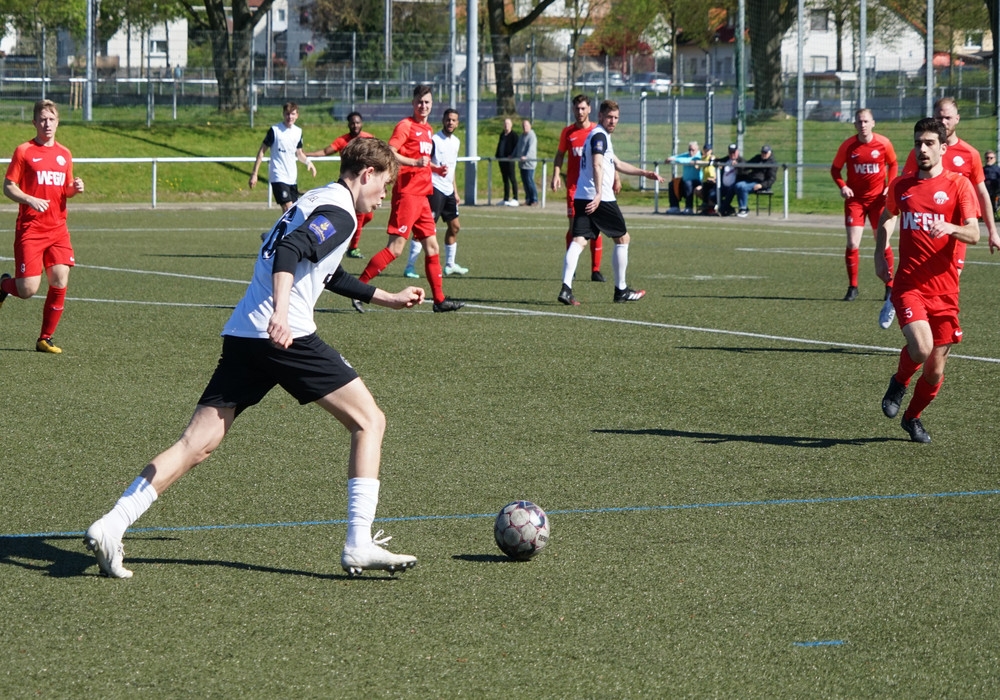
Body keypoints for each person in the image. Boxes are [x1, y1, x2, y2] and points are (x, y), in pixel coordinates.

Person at [83, 137, 424, 579]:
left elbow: (328, 272)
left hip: (245, 333)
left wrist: (387, 298)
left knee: (196, 444)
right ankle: (359, 542)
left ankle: (113, 524)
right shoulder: (340, 212)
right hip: (284, 335)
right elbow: (290, 251)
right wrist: (281, 313)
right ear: (366, 174)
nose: (384, 195)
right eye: (385, 184)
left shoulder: (316, 198)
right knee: (369, 421)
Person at [876, 118, 979, 444]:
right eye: (918, 142)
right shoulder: (902, 186)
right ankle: (899, 382)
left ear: (943, 148)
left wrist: (951, 228)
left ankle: (912, 417)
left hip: (945, 290)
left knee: (935, 371)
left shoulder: (958, 185)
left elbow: (974, 233)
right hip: (910, 285)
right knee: (921, 348)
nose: (922, 149)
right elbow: (887, 216)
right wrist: (880, 252)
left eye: (930, 143)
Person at [352, 85, 463, 313]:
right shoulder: (406, 125)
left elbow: (422, 161)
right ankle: (357, 289)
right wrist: (414, 163)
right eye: (420, 102)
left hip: (423, 196)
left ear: (432, 105)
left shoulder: (428, 129)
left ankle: (439, 300)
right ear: (413, 104)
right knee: (395, 249)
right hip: (407, 195)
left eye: (427, 102)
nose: (423, 106)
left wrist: (434, 169)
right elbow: (390, 152)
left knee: (432, 246)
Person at [557, 99, 664, 306]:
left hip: (582, 196)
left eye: (616, 118)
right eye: (609, 117)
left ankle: (566, 288)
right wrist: (598, 194)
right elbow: (597, 164)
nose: (613, 121)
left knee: (579, 240)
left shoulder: (596, 135)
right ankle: (621, 290)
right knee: (623, 238)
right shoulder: (599, 136)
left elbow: (617, 163)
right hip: (600, 198)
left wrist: (645, 173)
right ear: (600, 116)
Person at [0, 99, 85, 354]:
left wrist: (74, 188)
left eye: (52, 119)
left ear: (57, 122)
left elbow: (65, 189)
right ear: (34, 122)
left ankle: (45, 338)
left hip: (58, 229)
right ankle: (3, 285)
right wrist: (29, 199)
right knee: (27, 289)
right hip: (31, 229)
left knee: (59, 278)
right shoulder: (24, 151)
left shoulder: (65, 154)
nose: (47, 124)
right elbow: (8, 186)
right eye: (43, 119)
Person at [901, 97, 1000, 262]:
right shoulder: (920, 152)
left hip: (957, 227)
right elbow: (905, 186)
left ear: (957, 119)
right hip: (926, 226)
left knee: (952, 274)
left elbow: (982, 194)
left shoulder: (970, 154)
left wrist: (993, 232)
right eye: (939, 118)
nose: (943, 122)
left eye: (947, 118)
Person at [830, 108, 899, 324]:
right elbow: (835, 169)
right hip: (856, 201)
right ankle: (853, 287)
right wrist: (843, 186)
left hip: (879, 200)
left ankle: (890, 286)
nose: (863, 125)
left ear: (873, 123)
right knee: (853, 243)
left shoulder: (884, 143)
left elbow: (893, 164)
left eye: (866, 121)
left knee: (883, 241)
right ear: (855, 125)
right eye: (859, 122)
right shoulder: (848, 146)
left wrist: (890, 185)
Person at [404, 108, 468, 278]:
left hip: (448, 191)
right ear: (443, 120)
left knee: (455, 227)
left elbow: (451, 168)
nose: (450, 122)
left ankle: (450, 265)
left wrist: (455, 192)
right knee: (425, 229)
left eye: (453, 120)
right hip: (435, 188)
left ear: (457, 123)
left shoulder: (456, 142)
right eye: (448, 119)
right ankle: (410, 266)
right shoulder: (434, 140)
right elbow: (426, 164)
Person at [551, 94, 606, 283]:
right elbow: (560, 155)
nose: (580, 112)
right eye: (577, 108)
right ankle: (571, 267)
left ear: (589, 109)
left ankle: (596, 270)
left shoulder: (597, 132)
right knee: (574, 227)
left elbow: (607, 157)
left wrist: (615, 177)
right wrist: (556, 174)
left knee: (596, 227)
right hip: (574, 188)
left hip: (593, 187)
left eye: (583, 108)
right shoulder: (568, 132)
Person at [304, 111, 374, 258]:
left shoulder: (369, 139)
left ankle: (347, 235)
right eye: (352, 123)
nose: (355, 125)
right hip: (351, 184)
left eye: (358, 122)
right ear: (348, 124)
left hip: (365, 183)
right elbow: (325, 151)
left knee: (368, 216)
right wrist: (306, 154)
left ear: (362, 123)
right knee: (359, 216)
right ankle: (353, 248)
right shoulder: (343, 140)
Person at [249, 102, 317, 213]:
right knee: (288, 209)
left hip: (292, 177)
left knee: (293, 212)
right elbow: (262, 151)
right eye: (287, 114)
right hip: (278, 175)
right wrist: (254, 174)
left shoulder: (298, 132)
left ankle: (284, 225)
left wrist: (308, 162)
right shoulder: (275, 130)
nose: (290, 117)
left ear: (297, 115)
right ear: (283, 114)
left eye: (293, 114)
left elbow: (299, 153)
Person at [733, 145, 777, 217]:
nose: (763, 154)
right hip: (751, 180)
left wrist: (761, 185)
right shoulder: (757, 158)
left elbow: (772, 179)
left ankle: (743, 209)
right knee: (738, 185)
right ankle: (743, 208)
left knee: (743, 187)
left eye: (765, 153)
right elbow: (747, 165)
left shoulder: (772, 163)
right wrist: (738, 164)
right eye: (762, 152)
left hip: (760, 183)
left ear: (770, 153)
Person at [665, 141, 702, 214]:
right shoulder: (686, 155)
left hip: (697, 181)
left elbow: (689, 161)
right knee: (673, 183)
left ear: (697, 149)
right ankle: (674, 207)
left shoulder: (699, 156)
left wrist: (676, 160)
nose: (691, 152)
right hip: (685, 180)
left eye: (693, 150)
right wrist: (670, 158)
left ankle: (689, 208)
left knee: (688, 184)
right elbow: (677, 157)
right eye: (689, 150)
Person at [495, 118, 519, 206]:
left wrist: (512, 155)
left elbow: (517, 147)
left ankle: (515, 198)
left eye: (508, 124)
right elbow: (500, 145)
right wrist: (497, 155)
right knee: (505, 180)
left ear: (511, 125)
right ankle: (506, 198)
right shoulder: (502, 135)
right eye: (505, 124)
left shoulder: (514, 135)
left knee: (512, 178)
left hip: (510, 161)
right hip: (502, 160)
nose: (506, 125)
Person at [716, 144, 745, 217]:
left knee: (730, 191)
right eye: (730, 152)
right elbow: (718, 161)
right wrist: (713, 160)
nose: (732, 154)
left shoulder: (741, 160)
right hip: (724, 186)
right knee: (712, 195)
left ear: (737, 152)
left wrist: (738, 166)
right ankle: (730, 209)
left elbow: (745, 172)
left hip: (734, 186)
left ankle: (722, 210)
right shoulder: (726, 159)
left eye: (734, 152)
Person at [515, 119, 539, 206]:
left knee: (529, 181)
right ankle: (528, 199)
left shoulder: (532, 136)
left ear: (530, 126)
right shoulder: (521, 136)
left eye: (526, 125)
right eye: (523, 126)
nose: (525, 127)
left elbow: (531, 149)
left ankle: (534, 199)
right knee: (525, 183)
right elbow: (517, 147)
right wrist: (512, 155)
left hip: (529, 164)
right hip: (522, 164)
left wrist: (526, 157)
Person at [694, 144, 717, 214]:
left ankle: (711, 207)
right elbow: (697, 167)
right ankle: (707, 205)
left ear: (711, 151)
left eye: (708, 150)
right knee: (697, 190)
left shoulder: (712, 158)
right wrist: (696, 163)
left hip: (713, 181)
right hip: (705, 181)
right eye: (705, 150)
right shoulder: (702, 158)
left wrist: (714, 179)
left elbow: (714, 165)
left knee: (710, 192)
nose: (706, 151)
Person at [983, 150, 1000, 221]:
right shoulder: (982, 169)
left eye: (991, 158)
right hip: (985, 191)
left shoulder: (997, 170)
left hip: (996, 190)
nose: (989, 159)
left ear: (995, 159)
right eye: (987, 158)